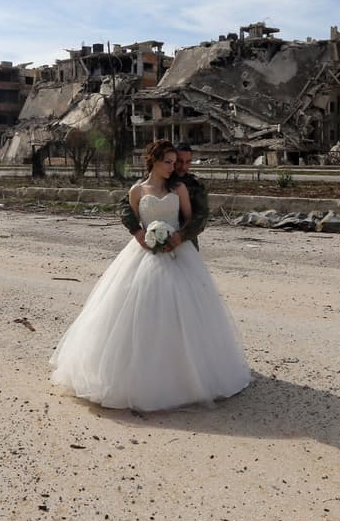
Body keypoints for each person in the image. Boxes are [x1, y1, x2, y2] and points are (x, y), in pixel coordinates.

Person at [51, 139, 250, 411]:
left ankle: (189, 372)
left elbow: (195, 218)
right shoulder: (136, 189)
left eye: (179, 162)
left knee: (185, 312)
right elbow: (129, 211)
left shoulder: (185, 187)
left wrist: (178, 237)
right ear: (154, 161)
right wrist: (140, 234)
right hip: (142, 255)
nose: (176, 166)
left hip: (180, 252)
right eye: (169, 161)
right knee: (135, 311)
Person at [118, 141, 210, 251]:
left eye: (188, 162)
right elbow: (125, 206)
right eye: (179, 162)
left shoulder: (194, 185)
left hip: (184, 242)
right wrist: (136, 230)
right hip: (151, 243)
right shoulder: (143, 185)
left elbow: (202, 216)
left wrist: (181, 236)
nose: (183, 167)